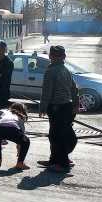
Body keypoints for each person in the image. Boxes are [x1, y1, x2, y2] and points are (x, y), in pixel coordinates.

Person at [39, 45, 79, 173]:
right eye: (53, 55)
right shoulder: (66, 69)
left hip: (57, 107)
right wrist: (75, 105)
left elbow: (47, 91)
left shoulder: (51, 71)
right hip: (66, 107)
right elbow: (74, 89)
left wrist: (43, 107)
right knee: (57, 135)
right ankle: (54, 160)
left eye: (56, 55)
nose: (54, 57)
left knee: (57, 136)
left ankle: (63, 163)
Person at [0, 102, 31, 170]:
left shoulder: (5, 111)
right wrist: (19, 145)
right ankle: (20, 163)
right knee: (26, 142)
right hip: (12, 129)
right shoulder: (20, 116)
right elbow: (22, 132)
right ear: (22, 111)